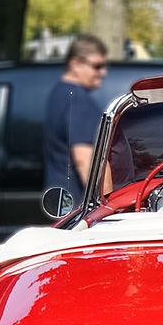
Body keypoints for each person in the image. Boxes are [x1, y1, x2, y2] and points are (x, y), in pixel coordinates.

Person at [42, 35, 110, 207]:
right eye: (97, 66)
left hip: (61, 202)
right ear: (76, 64)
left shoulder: (57, 94)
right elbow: (85, 160)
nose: (103, 72)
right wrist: (106, 205)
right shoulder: (78, 100)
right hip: (79, 206)